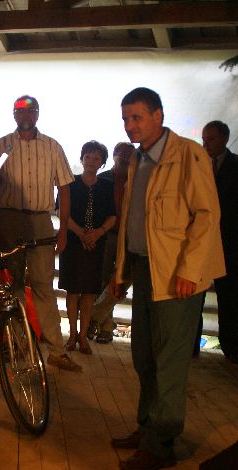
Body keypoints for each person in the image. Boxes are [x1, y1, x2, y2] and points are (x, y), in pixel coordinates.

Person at [108, 87, 224, 470]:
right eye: (125, 119)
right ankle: (147, 428)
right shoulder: (138, 160)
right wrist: (122, 271)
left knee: (168, 361)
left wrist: (190, 270)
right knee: (144, 356)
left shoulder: (188, 154)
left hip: (177, 275)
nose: (129, 126)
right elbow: (132, 221)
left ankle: (160, 445)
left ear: (158, 114)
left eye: (137, 117)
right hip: (146, 269)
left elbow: (207, 215)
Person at [0, 95, 80, 372]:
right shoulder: (2, 145)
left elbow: (64, 189)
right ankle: (17, 344)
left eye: (31, 110)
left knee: (43, 285)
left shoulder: (52, 146)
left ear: (37, 114)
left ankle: (56, 351)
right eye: (20, 110)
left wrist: (63, 230)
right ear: (13, 114)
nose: (25, 115)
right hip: (8, 219)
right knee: (12, 284)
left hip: (40, 221)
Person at [193, 120, 238, 364]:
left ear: (224, 139)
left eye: (211, 139)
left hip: (228, 239)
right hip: (200, 240)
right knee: (195, 294)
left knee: (228, 296)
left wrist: (211, 215)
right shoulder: (197, 165)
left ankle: (231, 347)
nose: (206, 144)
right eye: (204, 139)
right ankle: (190, 343)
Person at [58, 141, 116, 355]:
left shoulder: (107, 186)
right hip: (73, 242)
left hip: (96, 244)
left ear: (103, 163)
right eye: (88, 157)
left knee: (90, 291)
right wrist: (81, 233)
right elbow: (61, 211)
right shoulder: (70, 183)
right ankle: (72, 334)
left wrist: (97, 233)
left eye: (96, 158)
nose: (91, 161)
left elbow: (113, 216)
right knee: (72, 290)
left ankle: (83, 336)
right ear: (81, 159)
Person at [89, 142, 135, 344]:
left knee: (123, 278)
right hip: (106, 235)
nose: (126, 159)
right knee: (102, 280)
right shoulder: (102, 179)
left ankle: (94, 316)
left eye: (130, 156)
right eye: (123, 155)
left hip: (131, 237)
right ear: (115, 155)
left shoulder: (138, 180)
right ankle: (106, 327)